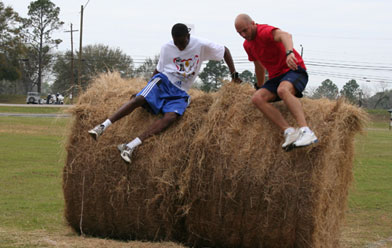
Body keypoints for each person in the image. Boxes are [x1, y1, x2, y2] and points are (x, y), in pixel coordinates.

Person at [88, 23, 241, 163]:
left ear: (188, 37)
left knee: (171, 117)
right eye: (176, 43)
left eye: (182, 43)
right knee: (139, 99)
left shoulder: (200, 44)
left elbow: (225, 51)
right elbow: (158, 70)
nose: (179, 47)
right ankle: (102, 126)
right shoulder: (167, 48)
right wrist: (145, 88)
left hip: (181, 92)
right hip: (164, 81)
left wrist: (233, 75)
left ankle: (130, 146)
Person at [234, 14, 318, 151]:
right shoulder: (247, 45)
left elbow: (286, 35)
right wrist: (260, 86)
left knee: (282, 90)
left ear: (253, 24)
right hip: (276, 78)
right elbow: (258, 66)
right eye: (239, 33)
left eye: (245, 30)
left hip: (294, 70)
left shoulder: (264, 31)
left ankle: (306, 131)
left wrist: (289, 53)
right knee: (257, 98)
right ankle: (290, 131)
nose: (243, 35)